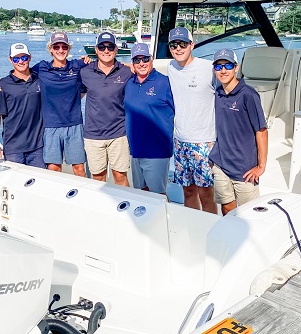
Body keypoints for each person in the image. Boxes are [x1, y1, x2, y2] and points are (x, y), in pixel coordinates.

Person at [0, 31, 87, 176]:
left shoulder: (77, 66)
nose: (60, 50)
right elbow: (20, 73)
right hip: (48, 128)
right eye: (56, 47)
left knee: (79, 169)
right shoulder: (41, 69)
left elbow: (98, 66)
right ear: (50, 49)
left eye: (64, 47)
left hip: (71, 126)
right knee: (52, 170)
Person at [209, 48, 267, 214]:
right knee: (226, 207)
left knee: (248, 213)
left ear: (236, 67)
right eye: (219, 67)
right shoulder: (218, 93)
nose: (223, 70)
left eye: (228, 65)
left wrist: (261, 166)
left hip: (245, 168)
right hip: (220, 164)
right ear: (214, 70)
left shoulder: (249, 95)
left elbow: (261, 131)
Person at [167, 27, 218, 214]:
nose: (178, 48)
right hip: (180, 142)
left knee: (206, 194)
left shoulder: (209, 68)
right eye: (174, 45)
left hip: (204, 142)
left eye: (183, 44)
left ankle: (211, 231)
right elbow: (139, 66)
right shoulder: (171, 67)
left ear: (192, 45)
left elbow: (229, 90)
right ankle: (193, 227)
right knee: (187, 191)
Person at [79, 31, 133, 185]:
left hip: (119, 134)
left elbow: (145, 70)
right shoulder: (85, 71)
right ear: (96, 50)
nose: (106, 51)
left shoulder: (126, 71)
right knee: (98, 178)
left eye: (110, 47)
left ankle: (124, 206)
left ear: (116, 50)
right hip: (93, 135)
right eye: (102, 47)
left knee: (120, 176)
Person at [124, 42, 175, 195]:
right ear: (132, 63)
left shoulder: (165, 82)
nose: (142, 63)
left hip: (157, 152)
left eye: (145, 59)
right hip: (135, 150)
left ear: (151, 59)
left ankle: (166, 219)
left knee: (158, 195)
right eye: (137, 60)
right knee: (141, 194)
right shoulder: (129, 83)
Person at [0, 43, 45, 168]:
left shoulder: (40, 79)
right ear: (10, 60)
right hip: (13, 148)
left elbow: (58, 67)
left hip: (37, 146)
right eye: (16, 58)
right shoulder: (2, 85)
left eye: (24, 58)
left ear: (29, 58)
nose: (21, 61)